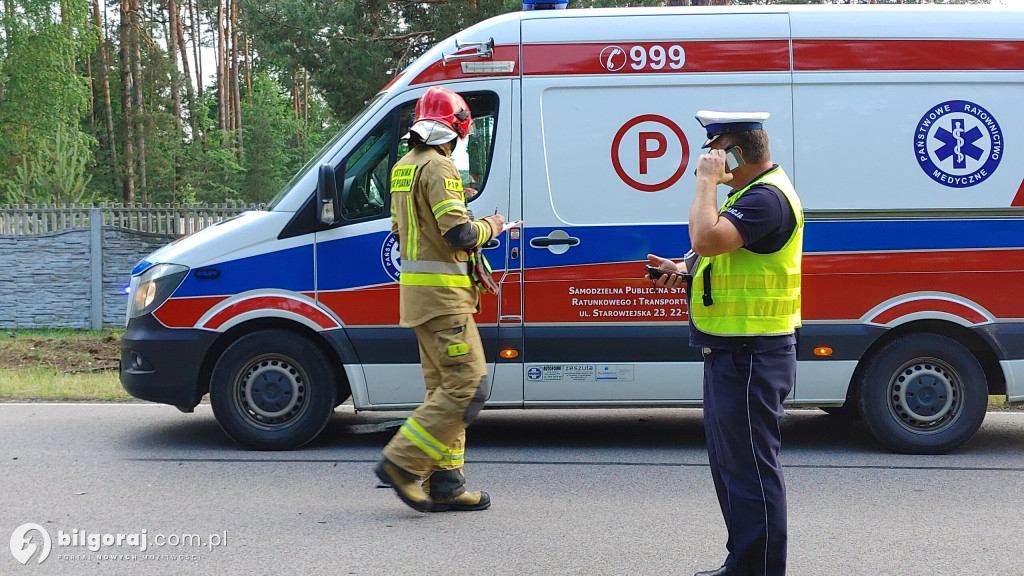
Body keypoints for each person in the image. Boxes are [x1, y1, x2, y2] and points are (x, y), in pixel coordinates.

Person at [647, 111, 804, 576]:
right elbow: (717, 254)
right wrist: (684, 269)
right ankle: (743, 564)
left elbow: (706, 236)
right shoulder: (751, 197)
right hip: (735, 351)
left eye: (713, 150)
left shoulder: (765, 199)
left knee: (751, 471)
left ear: (733, 152)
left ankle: (757, 570)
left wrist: (705, 183)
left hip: (753, 354)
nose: (706, 159)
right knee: (733, 469)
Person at [375, 86, 507, 513]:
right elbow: (460, 234)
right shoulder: (441, 168)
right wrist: (494, 225)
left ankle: (447, 482)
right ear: (456, 129)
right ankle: (402, 462)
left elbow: (402, 229)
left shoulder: (402, 167)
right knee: (469, 387)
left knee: (443, 388)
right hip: (445, 297)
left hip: (418, 298)